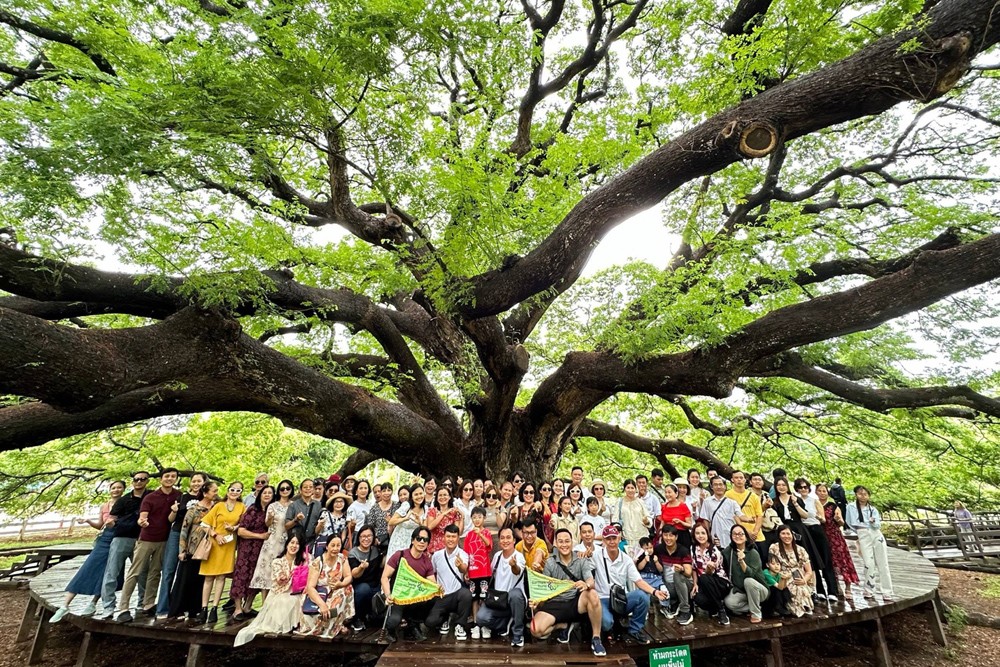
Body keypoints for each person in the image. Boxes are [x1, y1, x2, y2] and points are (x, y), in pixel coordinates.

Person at [51, 480, 127, 623]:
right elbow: (100, 526)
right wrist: (87, 521)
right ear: (109, 490)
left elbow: (129, 523)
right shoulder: (104, 506)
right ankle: (65, 605)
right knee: (88, 568)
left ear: (123, 490)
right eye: (113, 487)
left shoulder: (126, 504)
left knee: (109, 573)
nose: (116, 490)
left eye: (119, 488)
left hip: (119, 539)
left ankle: (93, 603)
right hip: (104, 539)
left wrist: (116, 523)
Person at [530, 528, 606, 657]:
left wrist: (586, 584)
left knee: (592, 594)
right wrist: (536, 601)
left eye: (567, 541)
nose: (564, 545)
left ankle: (596, 638)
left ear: (572, 542)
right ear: (556, 543)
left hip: (575, 603)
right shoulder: (550, 562)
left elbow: (591, 581)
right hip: (555, 603)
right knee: (536, 630)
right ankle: (562, 625)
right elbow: (544, 587)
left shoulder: (581, 559)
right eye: (560, 541)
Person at [592, 524, 667, 644]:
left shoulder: (626, 559)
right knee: (606, 624)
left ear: (619, 539)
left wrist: (655, 591)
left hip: (620, 599)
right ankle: (610, 627)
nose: (611, 542)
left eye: (614, 538)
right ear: (604, 541)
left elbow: (638, 581)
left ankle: (635, 629)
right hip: (603, 598)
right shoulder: (596, 555)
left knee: (642, 596)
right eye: (608, 539)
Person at [233, 531, 306, 647]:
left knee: (300, 600)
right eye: (292, 542)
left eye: (297, 543)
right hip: (280, 593)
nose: (294, 546)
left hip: (296, 592)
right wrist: (287, 577)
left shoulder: (302, 562)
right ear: (287, 544)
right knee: (287, 601)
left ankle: (296, 625)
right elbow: (279, 581)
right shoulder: (278, 561)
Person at [99, 471, 150, 619]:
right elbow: (112, 519)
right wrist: (110, 523)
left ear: (147, 481)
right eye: (136, 479)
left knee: (142, 572)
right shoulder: (124, 500)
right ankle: (108, 607)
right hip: (121, 538)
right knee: (112, 572)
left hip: (142, 539)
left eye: (142, 479)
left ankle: (142, 603)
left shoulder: (151, 497)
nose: (139, 482)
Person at [156, 472, 206, 617]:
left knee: (188, 573)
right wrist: (173, 511)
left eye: (199, 481)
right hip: (177, 534)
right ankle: (163, 608)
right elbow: (171, 519)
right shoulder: (182, 497)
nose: (196, 484)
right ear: (190, 483)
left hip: (195, 538)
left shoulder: (207, 499)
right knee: (168, 571)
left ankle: (187, 607)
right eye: (194, 481)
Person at [169, 481, 218, 622]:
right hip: (192, 547)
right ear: (205, 492)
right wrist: (182, 550)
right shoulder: (194, 509)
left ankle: (195, 610)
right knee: (185, 579)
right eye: (214, 491)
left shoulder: (215, 508)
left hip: (209, 548)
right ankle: (178, 609)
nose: (216, 493)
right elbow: (184, 530)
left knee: (201, 580)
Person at [198, 481, 245, 624]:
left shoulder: (242, 507)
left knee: (221, 577)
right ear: (228, 490)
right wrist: (215, 535)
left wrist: (234, 528)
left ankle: (214, 608)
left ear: (241, 492)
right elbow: (204, 524)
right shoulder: (218, 505)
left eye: (238, 490)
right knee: (209, 577)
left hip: (229, 545)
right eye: (232, 489)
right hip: (215, 543)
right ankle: (204, 608)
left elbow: (243, 525)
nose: (234, 492)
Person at [382, 525, 438, 642]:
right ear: (412, 540)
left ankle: (413, 625)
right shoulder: (400, 555)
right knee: (393, 621)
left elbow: (431, 582)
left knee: (433, 597)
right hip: (397, 597)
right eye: (419, 538)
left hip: (414, 597)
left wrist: (437, 588)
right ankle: (390, 630)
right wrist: (388, 595)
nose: (422, 542)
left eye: (425, 540)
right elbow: (385, 577)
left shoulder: (426, 561)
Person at [475, 527, 526, 646]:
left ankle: (518, 633)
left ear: (514, 540)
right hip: (497, 600)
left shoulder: (519, 557)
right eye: (502, 538)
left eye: (508, 538)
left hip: (512, 600)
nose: (505, 541)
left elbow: (517, 571)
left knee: (515, 594)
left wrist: (513, 565)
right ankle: (505, 623)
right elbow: (489, 573)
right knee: (481, 618)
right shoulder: (497, 556)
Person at [230, 484, 273, 622]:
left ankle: (247, 606)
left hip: (262, 550)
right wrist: (260, 536)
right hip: (247, 548)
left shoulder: (271, 511)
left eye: (270, 493)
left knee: (255, 577)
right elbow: (241, 531)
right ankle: (237, 608)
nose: (267, 495)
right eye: (264, 492)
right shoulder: (253, 510)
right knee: (241, 576)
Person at [298, 534, 355, 638]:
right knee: (324, 609)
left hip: (334, 590)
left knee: (347, 588)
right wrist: (321, 604)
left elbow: (348, 576)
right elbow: (310, 587)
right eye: (332, 545)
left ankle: (338, 622)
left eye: (338, 545)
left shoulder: (342, 558)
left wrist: (341, 584)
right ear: (327, 546)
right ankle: (323, 621)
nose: (335, 548)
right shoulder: (318, 562)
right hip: (318, 592)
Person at [794, 477, 839, 602]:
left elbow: (823, 519)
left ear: (809, 488)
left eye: (805, 487)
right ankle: (819, 590)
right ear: (797, 489)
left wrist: (819, 517)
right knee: (811, 561)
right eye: (800, 487)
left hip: (816, 529)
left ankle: (832, 590)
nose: (803, 489)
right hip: (804, 531)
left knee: (825, 559)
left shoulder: (814, 501)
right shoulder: (795, 501)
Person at [845, 486, 894, 602]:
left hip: (876, 534)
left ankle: (887, 591)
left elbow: (877, 525)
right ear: (856, 494)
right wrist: (859, 531)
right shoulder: (851, 507)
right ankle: (869, 588)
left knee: (883, 563)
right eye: (860, 494)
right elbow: (849, 522)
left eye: (865, 494)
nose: (863, 496)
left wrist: (872, 523)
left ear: (868, 496)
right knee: (868, 563)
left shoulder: (873, 509)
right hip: (862, 533)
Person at [250, 479, 294, 601]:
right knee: (266, 572)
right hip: (271, 541)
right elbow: (267, 524)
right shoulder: (273, 505)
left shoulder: (293, 505)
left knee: (283, 572)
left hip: (287, 541)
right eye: (282, 488)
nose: (285, 491)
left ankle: (278, 603)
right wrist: (269, 518)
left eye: (287, 488)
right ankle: (265, 604)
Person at [428, 524, 473, 639]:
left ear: (458, 538)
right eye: (448, 536)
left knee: (466, 594)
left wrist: (460, 566)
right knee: (430, 622)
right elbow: (431, 573)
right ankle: (444, 619)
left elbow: (464, 569)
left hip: (457, 595)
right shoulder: (437, 555)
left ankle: (460, 625)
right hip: (441, 596)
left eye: (453, 537)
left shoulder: (463, 554)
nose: (451, 539)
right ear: (444, 537)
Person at [816, 483, 859, 598]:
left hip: (835, 536)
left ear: (827, 492)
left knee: (842, 561)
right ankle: (836, 586)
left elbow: (841, 523)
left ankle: (848, 586)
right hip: (821, 537)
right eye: (819, 491)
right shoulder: (814, 505)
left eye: (824, 491)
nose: (822, 493)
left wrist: (838, 519)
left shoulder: (833, 506)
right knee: (830, 562)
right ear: (816, 492)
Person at [721, 524, 770, 623]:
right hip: (741, 591)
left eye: (740, 534)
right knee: (729, 603)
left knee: (749, 581)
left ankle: (756, 613)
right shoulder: (729, 551)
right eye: (734, 534)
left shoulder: (753, 553)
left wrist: (742, 561)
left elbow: (750, 575)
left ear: (746, 536)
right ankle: (753, 607)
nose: (737, 536)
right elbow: (720, 556)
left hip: (759, 589)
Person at [768, 524, 814, 617]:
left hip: (798, 574)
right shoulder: (774, 547)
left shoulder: (800, 550)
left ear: (792, 535)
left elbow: (809, 571)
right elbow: (772, 565)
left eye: (788, 534)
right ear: (779, 535)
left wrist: (804, 579)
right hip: (782, 574)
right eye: (783, 534)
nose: (786, 536)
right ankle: (793, 608)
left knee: (801, 588)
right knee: (793, 588)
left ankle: (804, 607)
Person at [691, 523, 731, 625]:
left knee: (704, 577)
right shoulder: (693, 549)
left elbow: (710, 573)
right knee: (697, 598)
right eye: (698, 533)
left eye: (703, 533)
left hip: (720, 582)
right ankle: (715, 608)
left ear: (707, 534)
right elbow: (694, 569)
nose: (700, 536)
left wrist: (709, 568)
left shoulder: (714, 550)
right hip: (704, 583)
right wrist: (695, 584)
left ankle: (721, 610)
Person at [654, 526, 694, 625]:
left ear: (676, 537)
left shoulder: (683, 550)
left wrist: (682, 569)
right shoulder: (659, 549)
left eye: (671, 535)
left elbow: (689, 573)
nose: (668, 538)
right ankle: (673, 603)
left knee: (677, 575)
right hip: (668, 584)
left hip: (685, 583)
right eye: (665, 535)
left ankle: (686, 611)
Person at [463, 506, 493, 637]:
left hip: (484, 572)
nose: (477, 520)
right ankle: (476, 623)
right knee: (474, 598)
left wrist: (480, 533)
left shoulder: (486, 532)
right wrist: (466, 571)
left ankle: (484, 623)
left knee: (484, 598)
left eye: (479, 517)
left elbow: (488, 545)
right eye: (474, 517)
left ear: (484, 518)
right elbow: (466, 554)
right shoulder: (468, 535)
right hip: (472, 571)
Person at [698, 477, 750, 549]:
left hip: (731, 536)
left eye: (720, 484)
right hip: (716, 537)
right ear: (712, 487)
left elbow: (740, 515)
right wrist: (709, 535)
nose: (718, 487)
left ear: (725, 486)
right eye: (715, 485)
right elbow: (706, 520)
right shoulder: (707, 502)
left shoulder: (732, 502)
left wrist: (748, 519)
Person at [347, 525, 383, 631]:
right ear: (358, 538)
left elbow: (382, 565)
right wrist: (361, 567)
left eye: (369, 536)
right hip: (360, 586)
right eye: (363, 536)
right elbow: (354, 574)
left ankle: (372, 616)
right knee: (364, 589)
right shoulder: (354, 553)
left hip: (375, 585)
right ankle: (357, 618)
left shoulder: (376, 550)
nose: (366, 539)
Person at [726, 471, 764, 558]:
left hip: (757, 535)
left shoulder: (753, 496)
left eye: (741, 478)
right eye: (736, 478)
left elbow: (759, 515)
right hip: (739, 535)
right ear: (732, 480)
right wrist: (745, 531)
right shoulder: (728, 495)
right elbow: (733, 515)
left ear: (745, 480)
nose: (739, 480)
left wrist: (755, 532)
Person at [386, 484, 426, 558]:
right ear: (411, 496)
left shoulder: (425, 508)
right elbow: (391, 522)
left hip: (413, 542)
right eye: (416, 494)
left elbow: (425, 529)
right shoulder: (406, 505)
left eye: (421, 493)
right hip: (399, 539)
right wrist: (405, 518)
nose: (419, 496)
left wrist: (420, 523)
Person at [613, 479, 651, 548]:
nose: (630, 490)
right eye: (628, 488)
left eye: (632, 488)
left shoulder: (640, 502)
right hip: (627, 537)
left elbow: (648, 517)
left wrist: (647, 521)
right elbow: (615, 519)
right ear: (624, 489)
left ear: (635, 489)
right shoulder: (619, 502)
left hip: (641, 536)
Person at [284, 478, 322, 544]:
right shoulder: (293, 505)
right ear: (301, 490)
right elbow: (287, 526)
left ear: (313, 490)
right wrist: (296, 519)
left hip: (311, 542)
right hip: (296, 542)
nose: (308, 489)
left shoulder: (318, 505)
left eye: (310, 487)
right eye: (305, 487)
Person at [427, 486, 463, 553]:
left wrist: (462, 518)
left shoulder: (454, 512)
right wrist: (443, 514)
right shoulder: (432, 511)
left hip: (449, 548)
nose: (442, 497)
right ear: (437, 498)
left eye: (445, 495)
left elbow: (459, 532)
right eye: (440, 495)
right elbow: (430, 527)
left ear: (449, 497)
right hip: (434, 548)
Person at [659, 483, 693, 549]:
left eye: (669, 492)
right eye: (665, 492)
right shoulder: (664, 506)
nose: (667, 495)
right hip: (667, 536)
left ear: (676, 493)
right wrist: (660, 533)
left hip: (681, 536)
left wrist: (680, 522)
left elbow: (689, 525)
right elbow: (662, 522)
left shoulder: (683, 506)